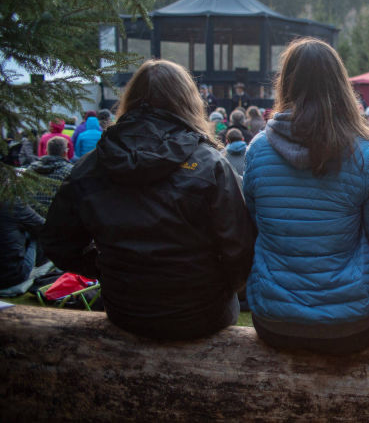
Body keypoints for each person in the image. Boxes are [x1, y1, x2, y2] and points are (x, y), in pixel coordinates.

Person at [41, 59, 255, 340]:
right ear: (188, 101)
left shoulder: (90, 166)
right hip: (198, 313)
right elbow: (241, 250)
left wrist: (107, 268)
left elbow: (58, 243)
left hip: (130, 310)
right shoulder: (210, 164)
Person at [244, 38, 369, 354]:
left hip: (275, 319)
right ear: (340, 85)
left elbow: (257, 225)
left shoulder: (257, 150)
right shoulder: (367, 155)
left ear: (286, 83)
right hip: (350, 322)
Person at [27, 136, 73, 217]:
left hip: (30, 215)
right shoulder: (69, 171)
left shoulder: (31, 168)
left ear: (46, 151)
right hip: (54, 217)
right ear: (65, 152)